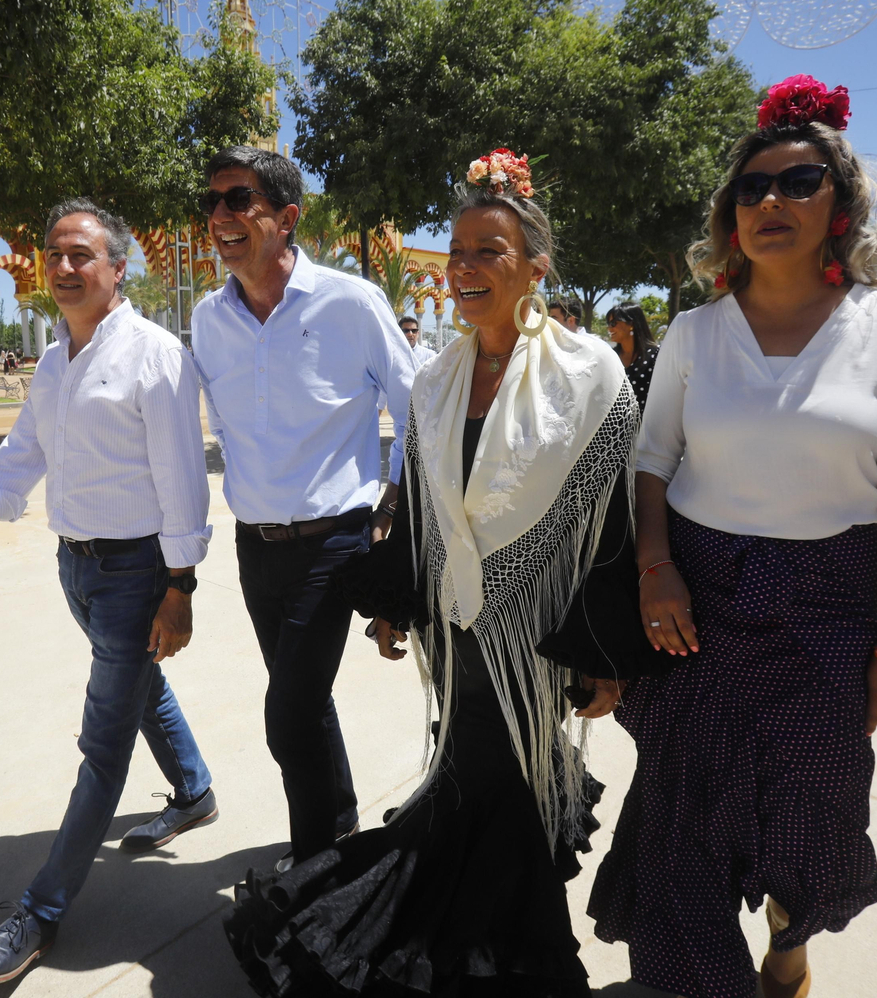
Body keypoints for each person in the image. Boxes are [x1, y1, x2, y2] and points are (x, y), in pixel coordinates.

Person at [225, 147, 667, 996]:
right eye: (456, 252)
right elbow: (423, 504)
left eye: (487, 253)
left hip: (537, 637)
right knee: (472, 786)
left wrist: (601, 648)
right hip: (461, 629)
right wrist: (399, 599)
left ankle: (487, 960)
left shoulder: (588, 374)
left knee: (503, 790)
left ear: (535, 268)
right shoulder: (435, 378)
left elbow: (610, 515)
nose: (463, 269)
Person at [588, 75, 877, 998]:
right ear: (729, 216)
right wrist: (656, 567)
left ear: (841, 206)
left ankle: (788, 944)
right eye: (750, 190)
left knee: (809, 818)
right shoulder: (694, 332)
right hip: (696, 601)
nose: (769, 203)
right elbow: (653, 460)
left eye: (798, 184)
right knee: (684, 829)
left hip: (828, 605)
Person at [0, 197, 217, 988]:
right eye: (54, 254)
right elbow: (23, 453)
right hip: (76, 568)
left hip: (134, 574)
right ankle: (194, 793)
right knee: (138, 684)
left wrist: (179, 587)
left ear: (118, 268)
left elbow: (182, 484)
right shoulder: (53, 362)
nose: (62, 267)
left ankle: (40, 913)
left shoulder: (155, 355)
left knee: (102, 745)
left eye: (81, 254)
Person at [190, 145, 416, 873]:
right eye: (213, 202)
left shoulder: (351, 303)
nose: (220, 216)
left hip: (335, 544)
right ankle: (339, 813)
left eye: (238, 200)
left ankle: (315, 864)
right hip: (255, 548)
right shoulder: (209, 318)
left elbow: (417, 408)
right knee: (304, 697)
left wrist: (398, 504)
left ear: (286, 218)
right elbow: (216, 426)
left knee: (287, 714)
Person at [603, 302, 659, 411]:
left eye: (613, 323)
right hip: (615, 425)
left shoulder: (656, 355)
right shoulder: (611, 356)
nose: (609, 329)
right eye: (608, 324)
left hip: (647, 425)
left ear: (631, 324)